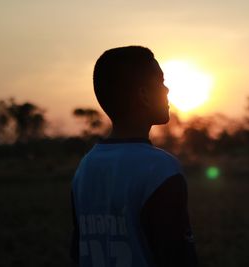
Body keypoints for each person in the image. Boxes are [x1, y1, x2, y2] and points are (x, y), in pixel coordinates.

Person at [70, 46, 198, 267]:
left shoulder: (85, 168)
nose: (167, 90)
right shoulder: (161, 169)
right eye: (161, 82)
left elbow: (77, 252)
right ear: (144, 95)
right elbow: (177, 257)